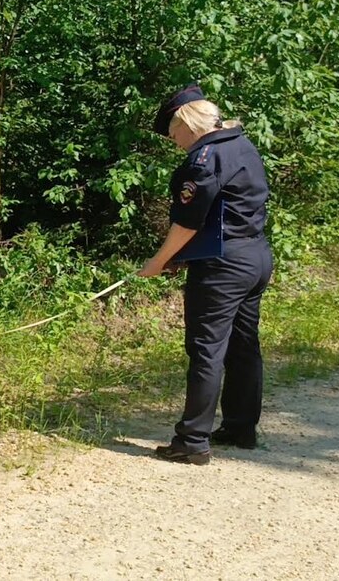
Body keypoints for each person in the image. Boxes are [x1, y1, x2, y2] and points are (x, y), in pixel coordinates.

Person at [138, 83, 273, 466]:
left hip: (222, 267)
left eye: (173, 133)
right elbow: (227, 211)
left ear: (186, 122)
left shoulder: (205, 158)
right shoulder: (242, 145)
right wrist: (183, 257)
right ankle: (240, 427)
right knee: (243, 346)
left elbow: (189, 221)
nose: (175, 141)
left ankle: (192, 441)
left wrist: (159, 259)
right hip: (255, 256)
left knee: (207, 350)